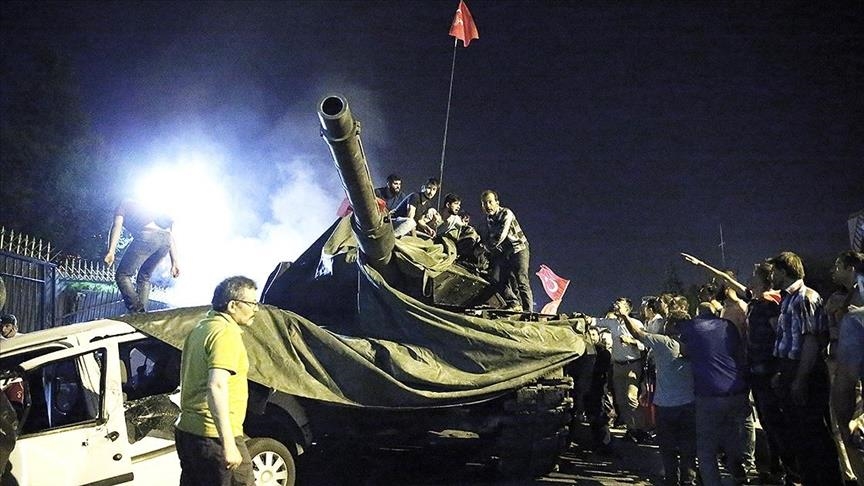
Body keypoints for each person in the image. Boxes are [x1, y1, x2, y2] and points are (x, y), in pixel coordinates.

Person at [174, 276, 259, 486]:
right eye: (252, 303)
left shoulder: (201, 329)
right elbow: (216, 386)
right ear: (232, 305)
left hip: (189, 433)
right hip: (214, 436)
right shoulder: (226, 333)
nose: (256, 309)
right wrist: (228, 444)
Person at [768, 251, 843, 485]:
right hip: (792, 369)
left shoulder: (805, 297)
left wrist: (800, 379)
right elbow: (790, 339)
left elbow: (811, 341)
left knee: (814, 435)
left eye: (774, 271)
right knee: (800, 436)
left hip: (806, 372)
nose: (771, 276)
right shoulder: (788, 299)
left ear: (784, 271)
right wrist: (782, 372)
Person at [618, 297, 697, 486]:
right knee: (688, 448)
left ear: (674, 325)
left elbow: (637, 333)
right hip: (690, 404)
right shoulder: (695, 345)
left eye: (668, 322)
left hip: (666, 406)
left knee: (668, 449)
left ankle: (671, 481)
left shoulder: (664, 343)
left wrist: (625, 316)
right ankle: (688, 480)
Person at [679, 302, 750, 486]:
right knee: (732, 437)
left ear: (697, 313)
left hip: (709, 394)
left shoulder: (691, 326)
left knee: (706, 449)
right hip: (735, 391)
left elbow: (683, 351)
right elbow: (739, 351)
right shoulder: (728, 326)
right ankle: (739, 473)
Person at [104, 199, 180, 313]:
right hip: (166, 240)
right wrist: (175, 262)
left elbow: (117, 226)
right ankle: (142, 315)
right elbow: (170, 235)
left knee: (122, 275)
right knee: (144, 277)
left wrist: (111, 251)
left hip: (147, 236)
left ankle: (138, 311)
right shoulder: (148, 205)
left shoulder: (123, 204)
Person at [829, 251, 864, 483]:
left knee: (852, 434)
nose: (834, 271)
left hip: (852, 374)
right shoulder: (845, 297)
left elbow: (845, 383)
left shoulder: (856, 310)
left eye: (838, 265)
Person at [595, 298, 648, 443]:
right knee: (620, 400)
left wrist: (631, 341)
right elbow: (597, 322)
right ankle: (631, 429)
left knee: (631, 398)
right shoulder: (612, 323)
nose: (615, 306)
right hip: (617, 365)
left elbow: (645, 344)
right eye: (615, 304)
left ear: (627, 309)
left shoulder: (636, 324)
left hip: (632, 365)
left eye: (619, 305)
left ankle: (640, 429)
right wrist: (585, 319)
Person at [479, 190, 532, 312]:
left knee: (521, 280)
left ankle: (528, 312)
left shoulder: (506, 213)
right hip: (506, 252)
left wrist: (483, 248)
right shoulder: (489, 219)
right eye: (484, 203)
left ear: (497, 202)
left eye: (490, 202)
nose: (487, 206)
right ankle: (514, 304)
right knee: (500, 279)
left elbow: (500, 236)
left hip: (519, 248)